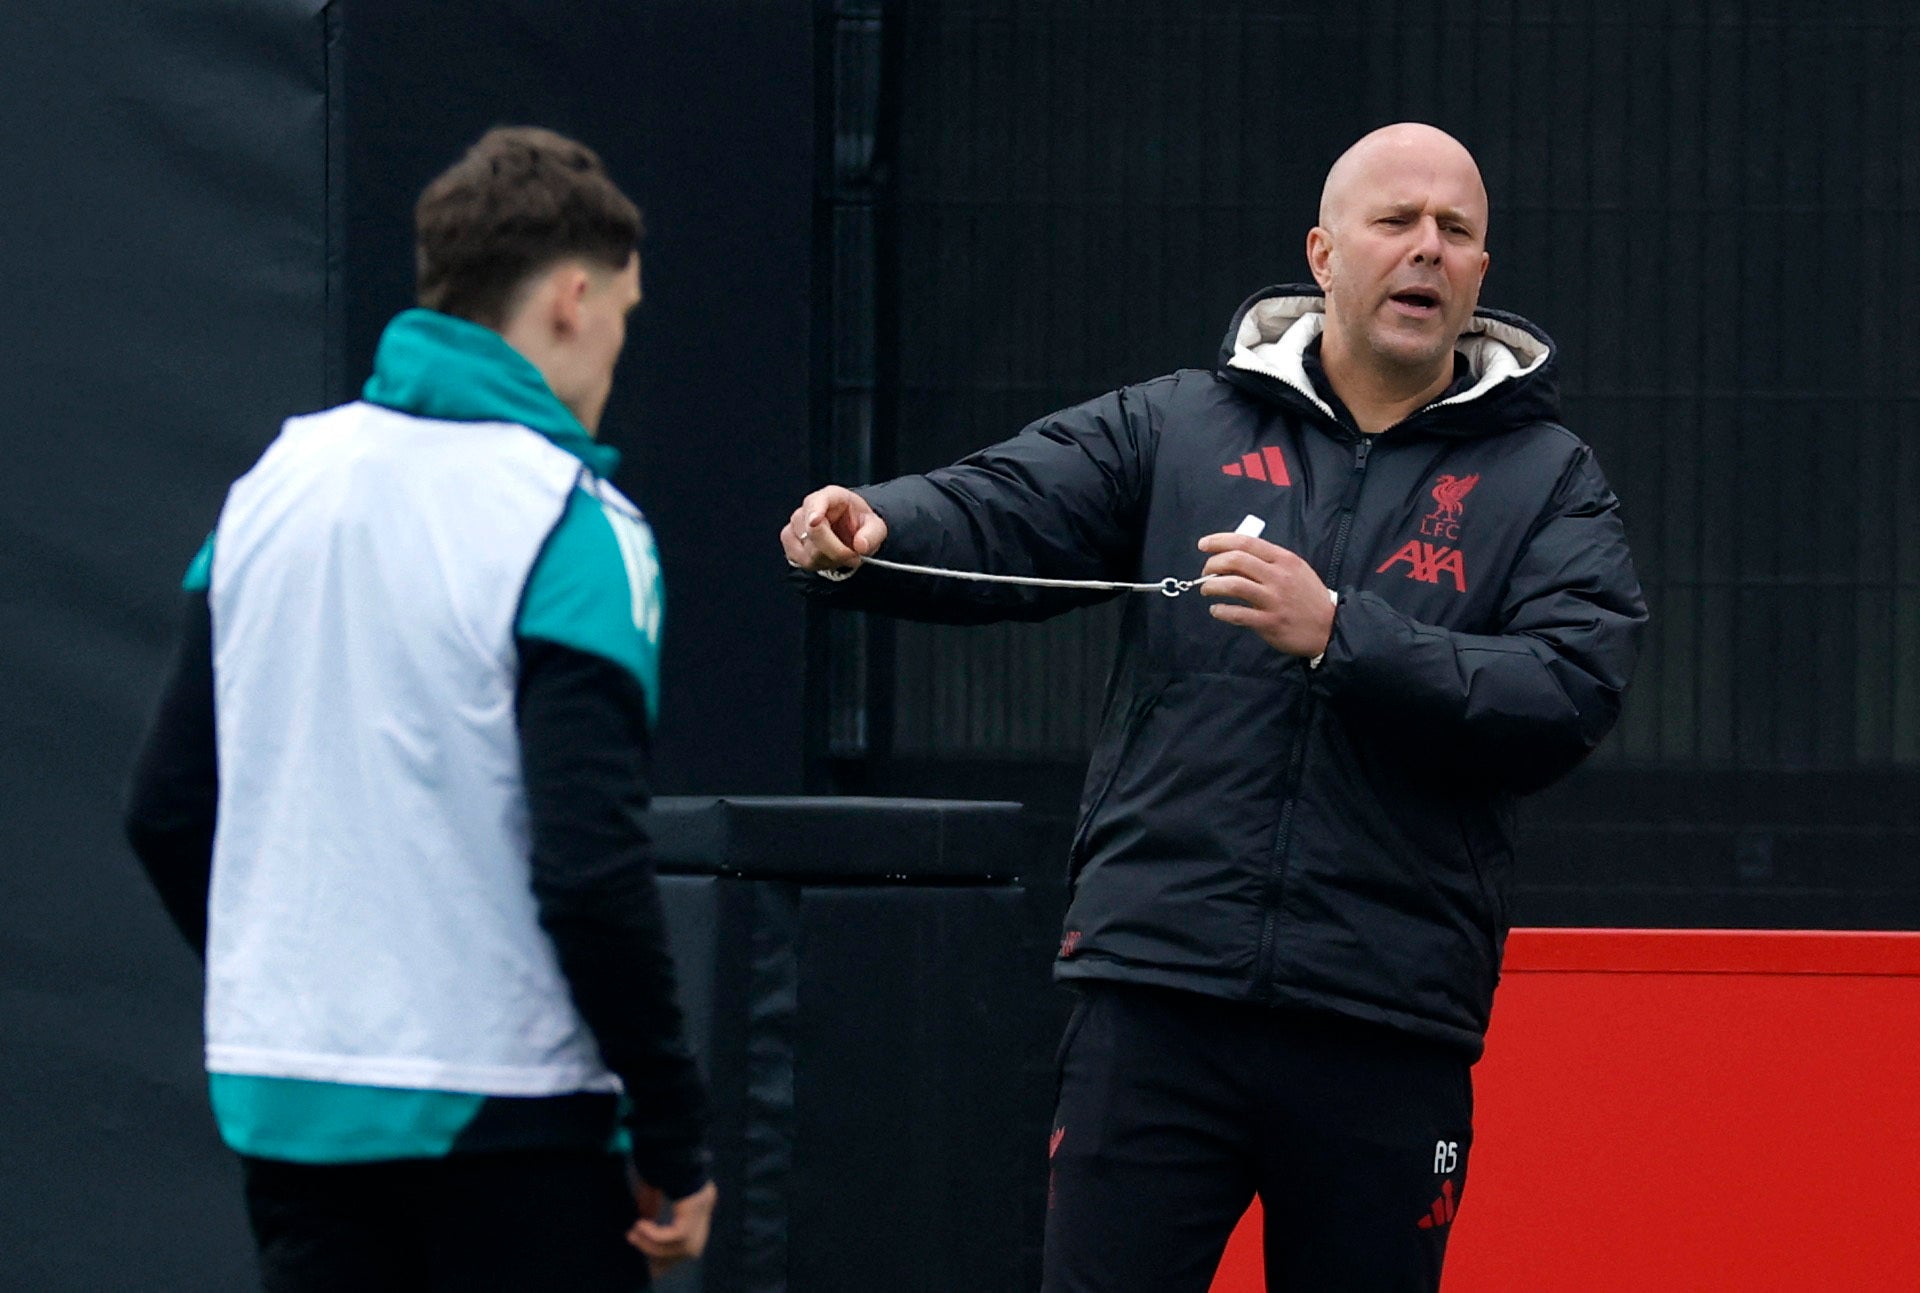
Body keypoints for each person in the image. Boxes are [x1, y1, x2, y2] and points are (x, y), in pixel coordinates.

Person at [782, 122, 1645, 1291]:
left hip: (1388, 1019)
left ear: (1484, 274)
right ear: (1324, 254)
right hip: (1156, 997)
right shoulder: (1180, 421)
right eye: (1396, 222)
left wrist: (1343, 633)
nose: (1427, 251)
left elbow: (1568, 689)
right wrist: (880, 530)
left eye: (1457, 232)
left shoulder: (1550, 478)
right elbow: (1010, 503)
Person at [124, 126, 715, 1291]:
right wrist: (673, 1132)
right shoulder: (576, 523)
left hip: (290, 1103)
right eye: (624, 316)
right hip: (512, 1119)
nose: (615, 349)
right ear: (573, 298)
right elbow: (590, 865)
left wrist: (298, 984)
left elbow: (165, 808)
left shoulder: (272, 489)